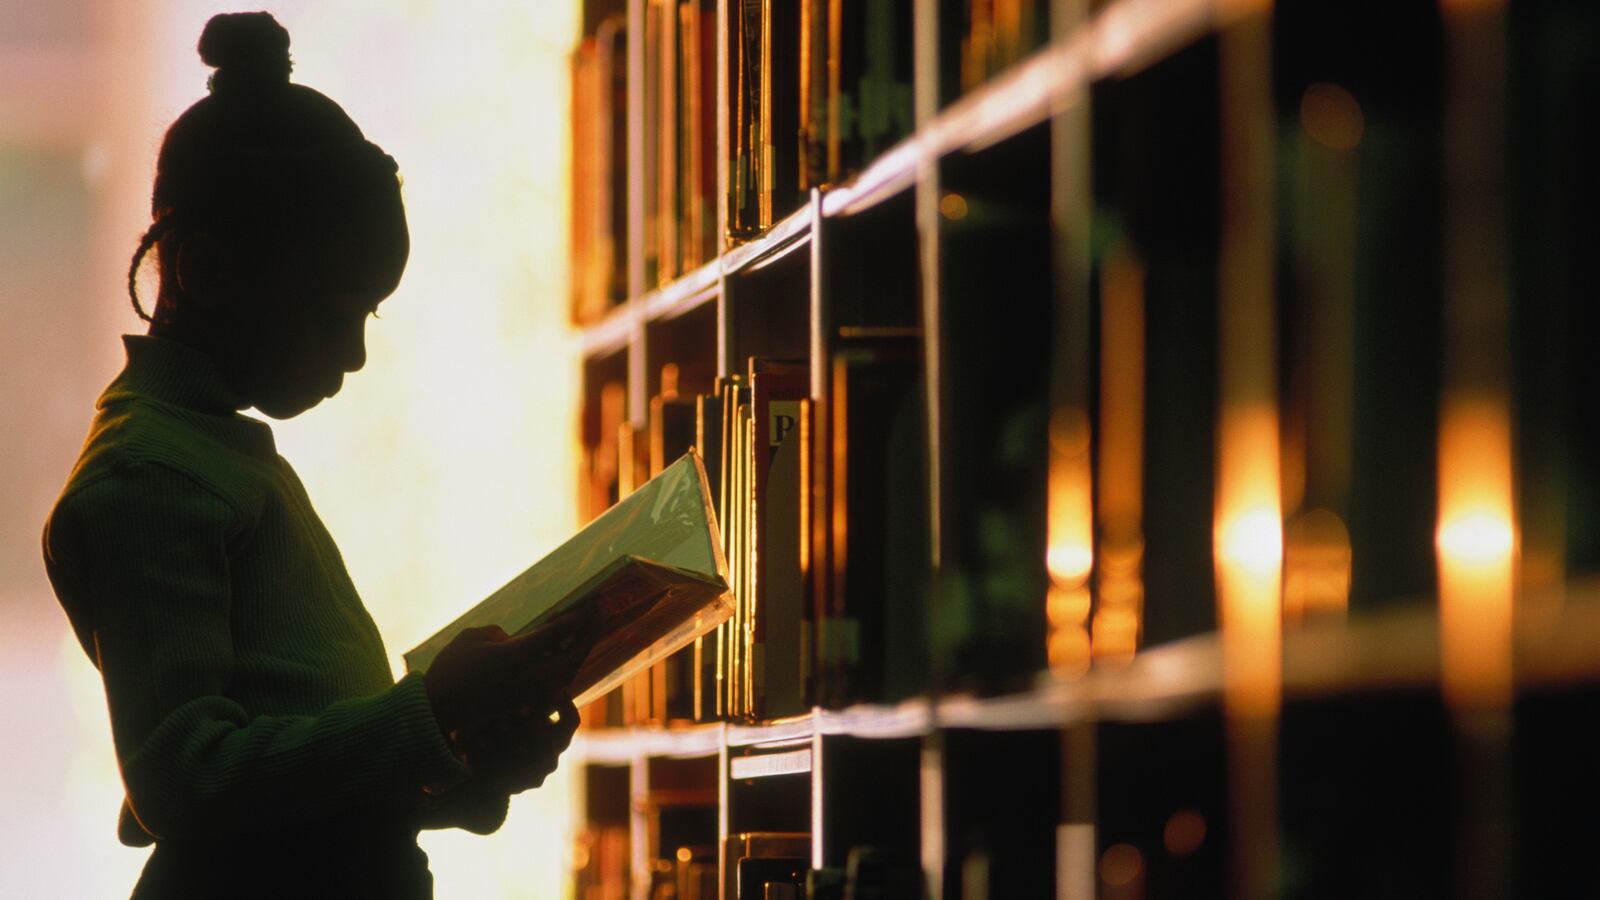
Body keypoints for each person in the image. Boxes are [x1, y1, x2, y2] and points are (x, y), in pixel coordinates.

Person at [41, 12, 583, 899]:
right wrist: (434, 711)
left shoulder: (214, 455)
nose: (356, 355)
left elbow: (294, 782)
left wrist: (464, 760)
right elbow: (188, 782)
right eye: (334, 315)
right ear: (209, 275)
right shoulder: (151, 479)